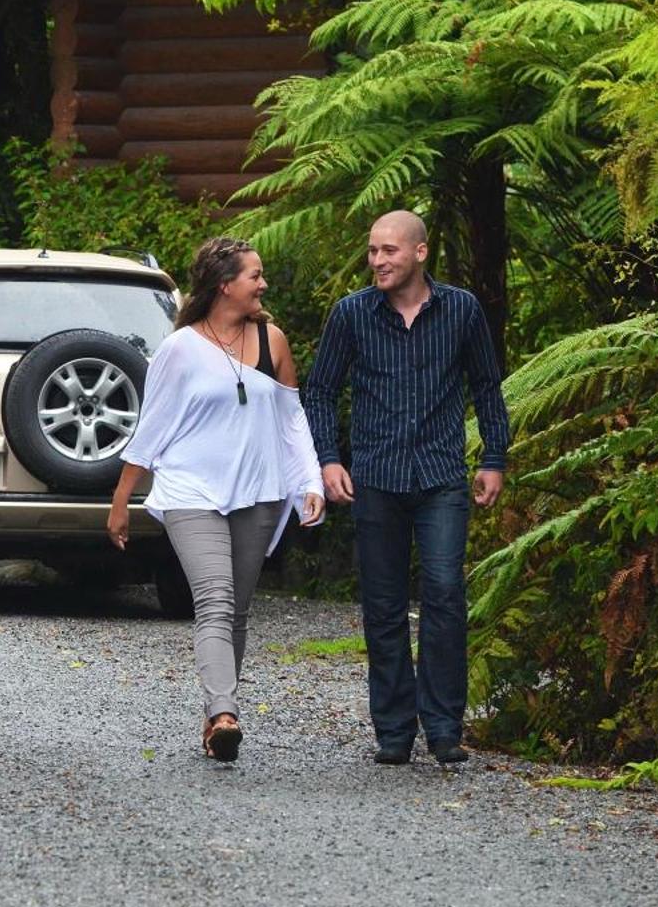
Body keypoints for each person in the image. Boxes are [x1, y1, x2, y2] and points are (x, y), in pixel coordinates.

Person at [304, 211, 510, 766]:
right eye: (372, 251)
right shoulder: (351, 315)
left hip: (442, 476)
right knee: (384, 605)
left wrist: (493, 458)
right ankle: (394, 731)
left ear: (419, 253)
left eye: (389, 250)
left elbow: (488, 387)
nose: (378, 261)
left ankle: (445, 729)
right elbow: (319, 391)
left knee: (445, 593)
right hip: (375, 478)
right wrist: (328, 460)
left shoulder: (462, 310)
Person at [107, 237, 324, 762]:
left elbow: (292, 419)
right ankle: (226, 712)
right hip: (191, 490)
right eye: (255, 275)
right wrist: (122, 499)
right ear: (225, 285)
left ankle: (214, 717)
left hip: (257, 490)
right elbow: (152, 426)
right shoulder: (181, 348)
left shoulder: (273, 340)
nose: (263, 284)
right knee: (216, 599)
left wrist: (309, 482)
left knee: (239, 610)